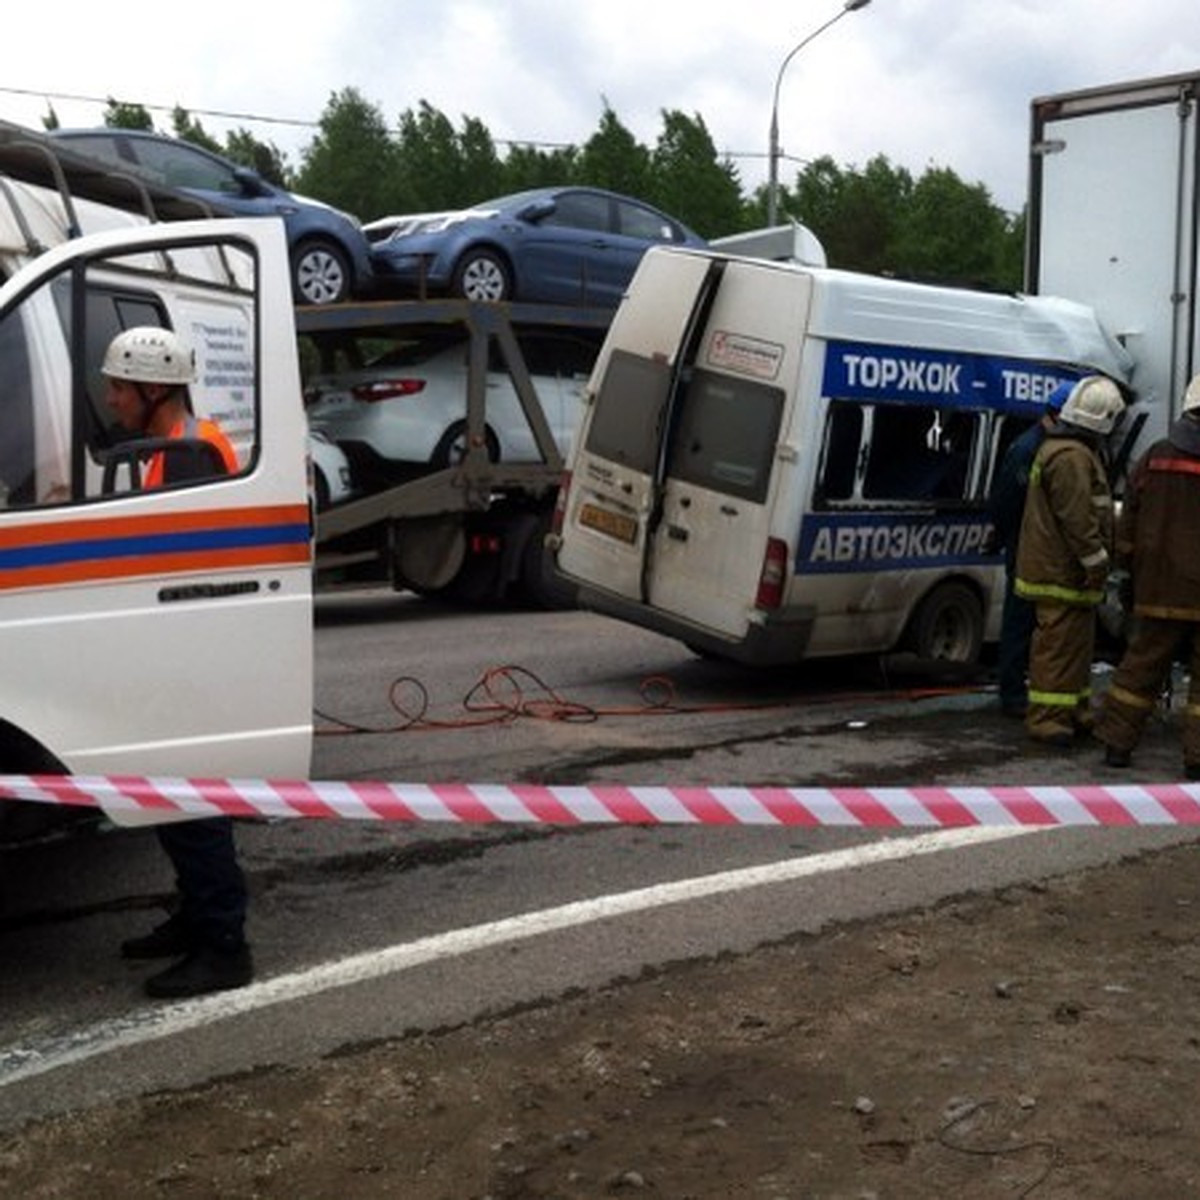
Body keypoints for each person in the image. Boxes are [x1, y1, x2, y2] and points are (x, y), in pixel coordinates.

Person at [102, 326, 252, 999]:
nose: (110, 399)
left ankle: (224, 945)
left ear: (152, 387)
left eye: (118, 386)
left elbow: (179, 566)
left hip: (192, 654)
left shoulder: (190, 454)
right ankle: (197, 917)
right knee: (173, 798)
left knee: (192, 803)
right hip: (188, 648)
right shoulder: (180, 446)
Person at [1096, 374, 1200, 776]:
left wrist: (1125, 569)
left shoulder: (1156, 455)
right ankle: (1196, 759)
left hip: (1159, 587)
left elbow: (1129, 521)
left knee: (1140, 667)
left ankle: (1117, 745)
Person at [1014, 375, 1126, 746]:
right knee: (1057, 648)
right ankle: (1047, 718)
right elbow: (1077, 518)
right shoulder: (1071, 457)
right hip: (1062, 571)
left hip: (1065, 570)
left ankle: (1073, 709)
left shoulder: (1068, 451)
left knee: (1075, 648)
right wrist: (1096, 561)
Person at [986, 381, 1074, 717]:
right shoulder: (1028, 449)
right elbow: (1007, 500)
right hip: (1025, 546)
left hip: (1039, 546)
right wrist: (1003, 535)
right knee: (1019, 620)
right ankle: (1011, 694)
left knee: (1033, 622)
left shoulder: (1047, 447)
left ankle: (1024, 688)